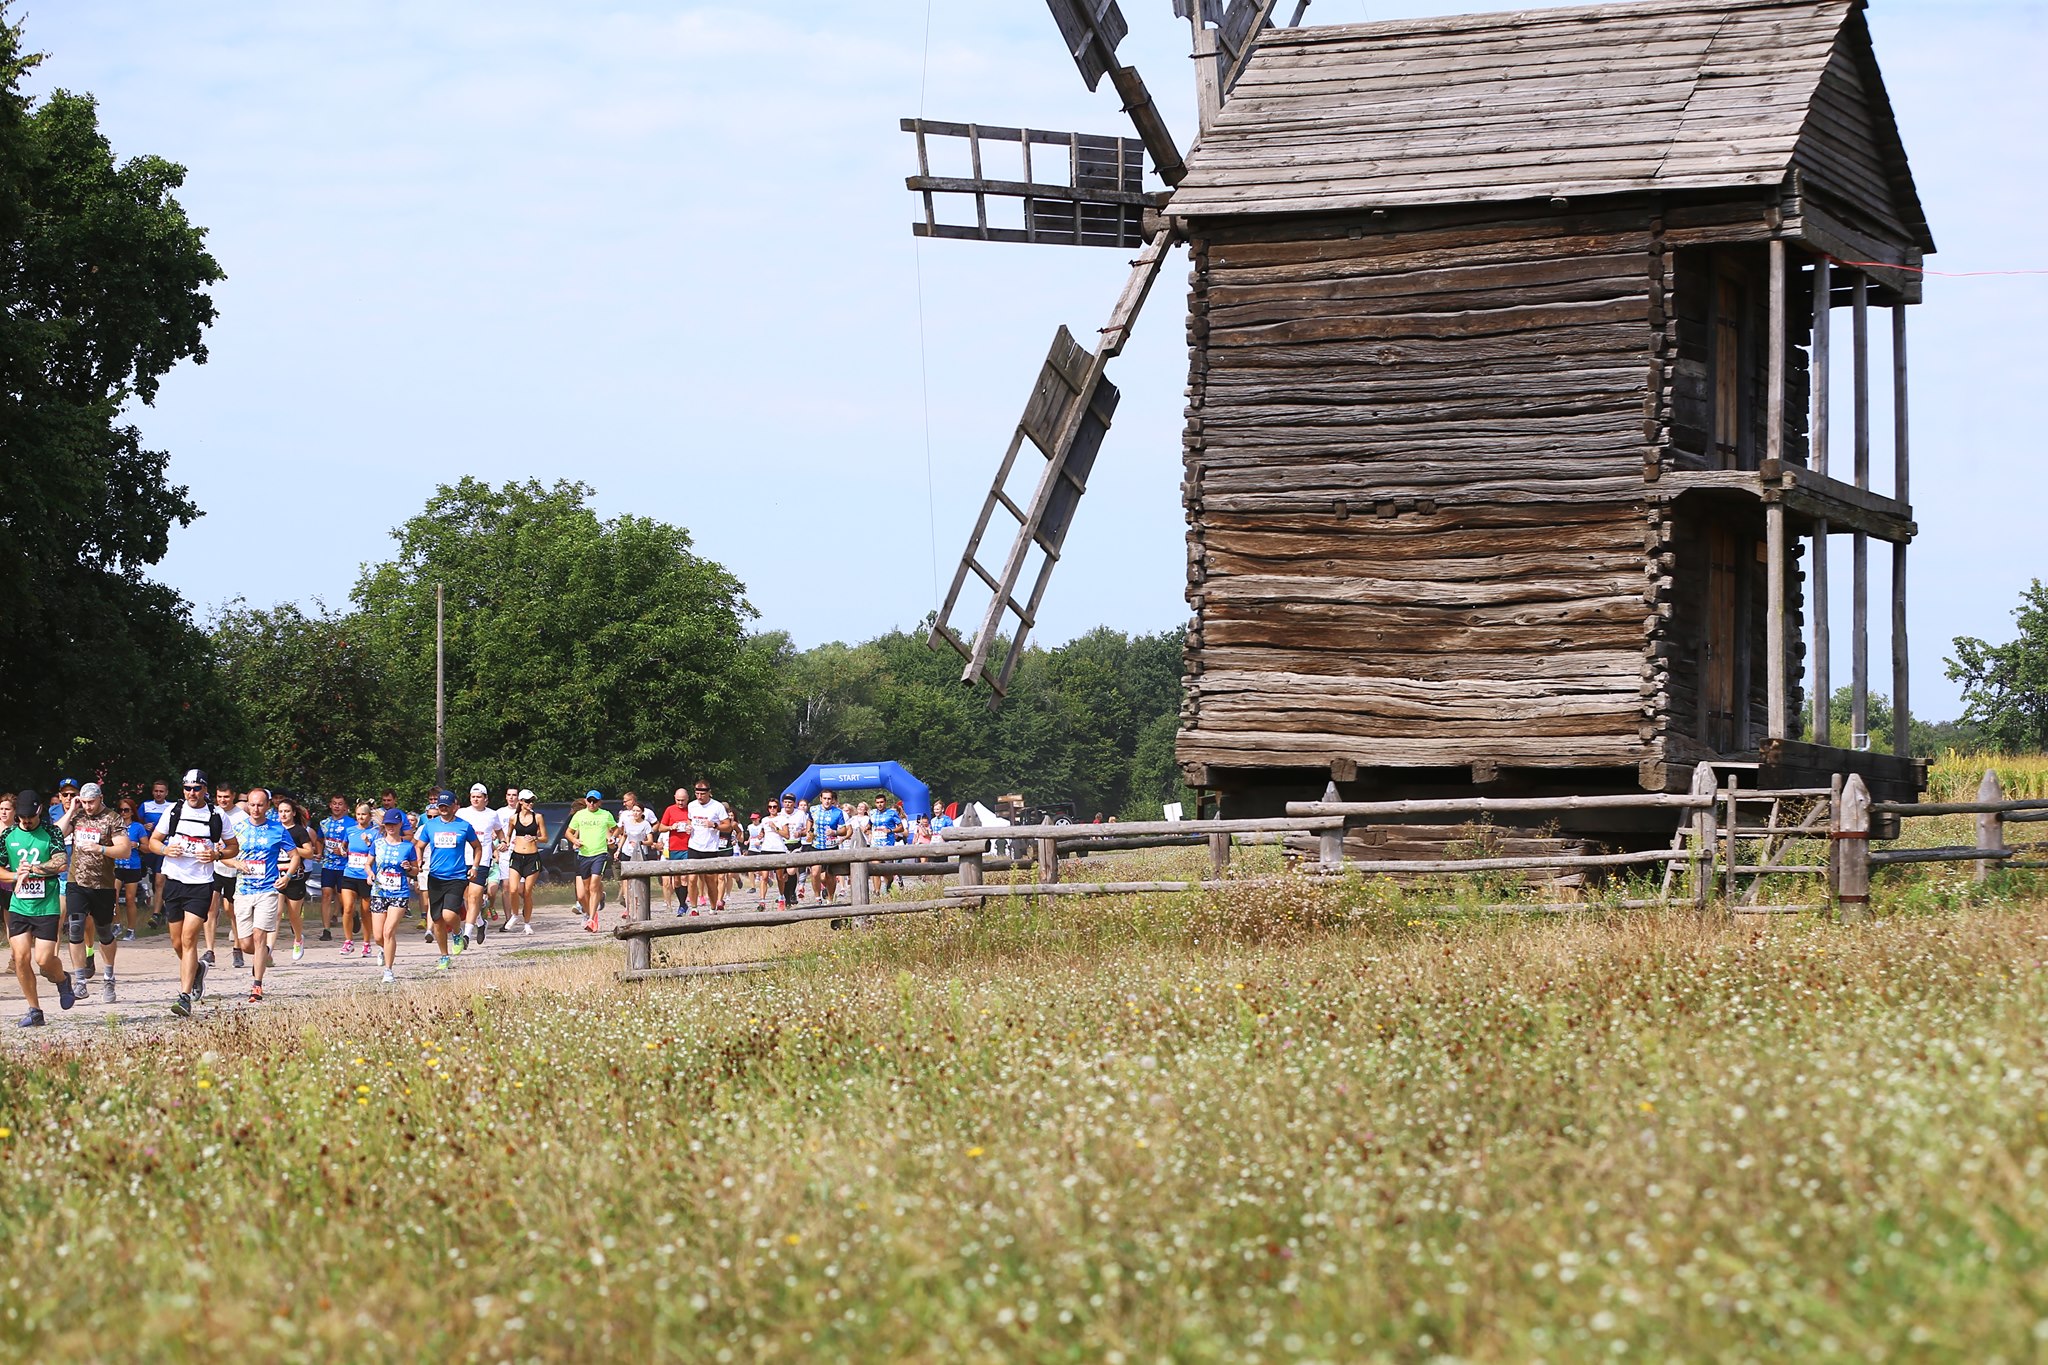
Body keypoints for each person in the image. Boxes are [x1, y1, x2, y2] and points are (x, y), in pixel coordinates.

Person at [148, 770, 238, 1017]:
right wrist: (166, 849)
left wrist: (216, 855)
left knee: (189, 939)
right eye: (187, 788)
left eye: (196, 788)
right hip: (174, 881)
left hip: (200, 884)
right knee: (177, 942)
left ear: (205, 790)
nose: (191, 793)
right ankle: (197, 969)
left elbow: (233, 847)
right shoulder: (174, 811)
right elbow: (153, 842)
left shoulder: (216, 815)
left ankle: (184, 996)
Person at [3, 791, 74, 1026]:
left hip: (46, 906)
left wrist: (34, 869)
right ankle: (34, 1010)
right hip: (19, 905)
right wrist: (15, 875)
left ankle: (63, 980)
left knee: (44, 960)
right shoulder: (7, 836)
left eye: (30, 817)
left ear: (39, 810)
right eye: (22, 817)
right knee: (21, 958)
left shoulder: (51, 832)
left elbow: (61, 862)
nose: (26, 821)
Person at [57, 782, 131, 1004]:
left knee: (104, 932)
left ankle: (109, 977)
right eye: (84, 802)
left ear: (100, 798)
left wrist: (101, 849)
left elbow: (125, 850)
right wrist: (71, 809)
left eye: (91, 802)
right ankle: (80, 981)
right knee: (76, 928)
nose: (88, 807)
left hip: (103, 885)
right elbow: (56, 835)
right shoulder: (78, 816)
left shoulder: (112, 818)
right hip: (76, 881)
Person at [226, 787, 300, 1003]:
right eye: (252, 804)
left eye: (260, 805)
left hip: (267, 890)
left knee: (259, 935)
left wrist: (286, 877)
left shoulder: (278, 830)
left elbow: (295, 856)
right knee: (246, 943)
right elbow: (222, 855)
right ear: (247, 804)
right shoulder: (237, 828)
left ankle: (256, 986)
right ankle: (264, 953)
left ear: (268, 806)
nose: (255, 809)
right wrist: (236, 863)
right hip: (243, 891)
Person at [415, 790, 480, 967]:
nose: (443, 808)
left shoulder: (464, 826)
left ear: (454, 806)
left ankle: (457, 933)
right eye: (440, 806)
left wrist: (474, 867)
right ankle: (444, 955)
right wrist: (419, 859)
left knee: (449, 914)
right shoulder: (430, 826)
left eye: (446, 805)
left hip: (457, 877)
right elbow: (419, 846)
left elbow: (477, 847)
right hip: (435, 877)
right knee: (437, 920)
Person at [368, 809, 417, 983]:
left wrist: (409, 868)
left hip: (399, 892)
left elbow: (416, 869)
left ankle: (388, 971)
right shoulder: (378, 843)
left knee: (389, 931)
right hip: (379, 892)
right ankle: (383, 949)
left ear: (400, 825)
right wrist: (370, 874)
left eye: (394, 824)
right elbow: (368, 864)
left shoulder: (408, 846)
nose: (391, 827)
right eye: (388, 824)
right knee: (378, 936)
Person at [455, 784, 505, 947]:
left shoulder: (492, 814)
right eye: (473, 796)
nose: (475, 799)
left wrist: (503, 841)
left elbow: (499, 831)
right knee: (466, 896)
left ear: (486, 799)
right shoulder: (462, 813)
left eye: (479, 797)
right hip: (463, 859)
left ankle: (467, 935)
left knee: (475, 896)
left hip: (482, 860)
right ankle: (481, 923)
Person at [273, 795, 317, 962]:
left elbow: (309, 853)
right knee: (275, 914)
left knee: (293, 915)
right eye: (281, 811)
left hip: (295, 877)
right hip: (276, 875)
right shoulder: (274, 830)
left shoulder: (299, 831)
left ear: (293, 813)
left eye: (287, 811)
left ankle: (298, 938)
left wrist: (292, 850)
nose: (283, 814)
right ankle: (268, 951)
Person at [566, 791, 616, 933]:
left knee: (593, 886)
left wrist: (612, 839)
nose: (592, 804)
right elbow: (569, 832)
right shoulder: (579, 816)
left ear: (600, 802)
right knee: (586, 890)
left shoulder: (605, 815)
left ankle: (592, 919)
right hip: (583, 855)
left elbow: (615, 829)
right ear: (586, 801)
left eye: (595, 801)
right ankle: (591, 912)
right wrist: (575, 840)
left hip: (599, 854)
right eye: (590, 801)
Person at [684, 780, 732, 913]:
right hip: (694, 846)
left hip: (710, 848)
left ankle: (712, 908)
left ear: (709, 793)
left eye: (702, 794)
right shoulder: (692, 805)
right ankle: (694, 909)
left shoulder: (717, 807)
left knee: (710, 880)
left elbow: (727, 826)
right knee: (692, 878)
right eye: (697, 793)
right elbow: (690, 819)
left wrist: (715, 825)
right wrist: (688, 826)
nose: (699, 797)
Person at [503, 790, 546, 935]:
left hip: (532, 857)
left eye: (532, 801)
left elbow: (545, 837)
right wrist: (505, 843)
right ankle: (515, 915)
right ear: (520, 801)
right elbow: (508, 835)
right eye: (527, 801)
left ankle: (527, 923)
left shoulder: (538, 817)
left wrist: (535, 838)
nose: (530, 804)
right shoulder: (513, 818)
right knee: (513, 889)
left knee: (527, 892)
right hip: (516, 856)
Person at [340, 800, 380, 957]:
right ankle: (348, 941)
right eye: (358, 814)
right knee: (348, 907)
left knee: (365, 912)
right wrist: (342, 850)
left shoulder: (375, 832)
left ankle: (366, 943)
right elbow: (344, 845)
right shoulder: (350, 830)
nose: (361, 817)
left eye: (364, 814)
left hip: (366, 876)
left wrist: (369, 842)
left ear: (369, 816)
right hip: (350, 873)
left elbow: (378, 852)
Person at [614, 791, 657, 921]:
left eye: (638, 811)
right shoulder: (627, 822)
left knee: (639, 881)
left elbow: (650, 841)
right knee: (626, 882)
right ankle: (628, 907)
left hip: (640, 854)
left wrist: (640, 842)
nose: (635, 813)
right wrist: (618, 850)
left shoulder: (645, 824)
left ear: (642, 813)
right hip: (627, 852)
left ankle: (641, 905)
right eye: (634, 811)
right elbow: (624, 836)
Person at [210, 779, 240, 968]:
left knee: (231, 910)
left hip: (233, 869)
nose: (223, 800)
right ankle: (210, 950)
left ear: (233, 797)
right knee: (210, 909)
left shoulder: (241, 817)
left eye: (226, 797)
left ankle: (237, 948)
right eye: (220, 797)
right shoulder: (211, 813)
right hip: (212, 868)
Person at [319, 794, 354, 949]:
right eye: (334, 803)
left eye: (340, 804)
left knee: (345, 900)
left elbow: (356, 843)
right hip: (328, 865)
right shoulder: (324, 823)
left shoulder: (351, 824)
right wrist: (319, 852)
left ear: (345, 807)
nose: (337, 806)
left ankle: (353, 915)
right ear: (330, 805)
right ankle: (326, 929)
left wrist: (345, 851)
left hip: (345, 866)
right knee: (326, 894)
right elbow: (319, 839)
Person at [140, 779, 174, 926]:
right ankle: (162, 908)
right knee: (154, 881)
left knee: (160, 881)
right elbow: (133, 823)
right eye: (156, 791)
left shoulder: (172, 807)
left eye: (161, 791)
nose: (158, 794)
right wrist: (143, 825)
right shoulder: (146, 806)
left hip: (164, 848)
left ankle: (156, 915)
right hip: (149, 848)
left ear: (166, 793)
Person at [113, 796, 148, 939]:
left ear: (132, 811)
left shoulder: (138, 827)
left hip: (132, 866)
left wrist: (137, 845)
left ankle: (131, 929)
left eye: (126, 810)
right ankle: (117, 925)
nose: (123, 813)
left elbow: (148, 847)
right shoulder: (115, 825)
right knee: (112, 897)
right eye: (120, 810)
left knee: (129, 899)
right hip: (116, 865)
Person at [808, 790, 849, 904]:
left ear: (832, 800)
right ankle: (817, 898)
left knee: (830, 875)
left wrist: (834, 832)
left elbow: (844, 830)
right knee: (815, 873)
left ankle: (830, 899)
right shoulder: (813, 809)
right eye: (825, 798)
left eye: (829, 799)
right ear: (820, 799)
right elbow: (809, 820)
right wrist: (808, 831)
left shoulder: (838, 812)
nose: (827, 801)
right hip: (816, 845)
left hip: (831, 846)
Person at [657, 786, 691, 912]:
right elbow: (661, 827)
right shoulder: (670, 810)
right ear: (674, 799)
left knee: (684, 877)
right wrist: (671, 827)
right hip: (674, 847)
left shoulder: (691, 810)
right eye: (678, 800)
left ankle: (682, 905)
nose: (680, 803)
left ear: (687, 799)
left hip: (687, 847)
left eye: (683, 800)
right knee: (676, 879)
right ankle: (682, 903)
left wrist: (690, 827)